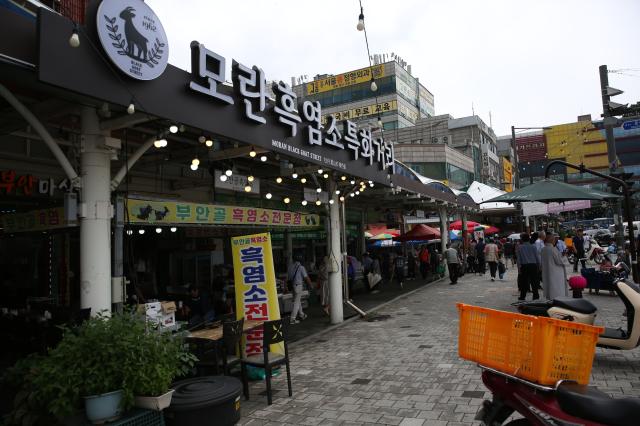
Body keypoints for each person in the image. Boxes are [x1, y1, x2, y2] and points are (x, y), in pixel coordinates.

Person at [541, 234, 568, 300]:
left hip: (547, 271)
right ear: (551, 240)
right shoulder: (553, 249)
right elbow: (560, 261)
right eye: (554, 239)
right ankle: (558, 299)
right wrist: (564, 256)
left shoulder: (543, 249)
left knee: (549, 285)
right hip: (556, 272)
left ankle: (549, 298)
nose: (555, 241)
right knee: (556, 287)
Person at [288, 254, 313, 324]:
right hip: (298, 286)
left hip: (292, 285)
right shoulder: (301, 267)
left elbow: (288, 277)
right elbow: (306, 277)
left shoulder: (290, 267)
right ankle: (292, 319)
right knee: (296, 302)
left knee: (297, 301)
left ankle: (302, 315)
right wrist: (310, 285)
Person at [516, 233, 540, 301]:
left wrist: (519, 269)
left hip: (524, 266)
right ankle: (536, 296)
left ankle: (522, 296)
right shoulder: (533, 247)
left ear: (522, 239)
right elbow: (537, 257)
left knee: (524, 282)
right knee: (534, 281)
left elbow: (519, 259)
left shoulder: (520, 247)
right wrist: (539, 266)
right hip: (533, 266)